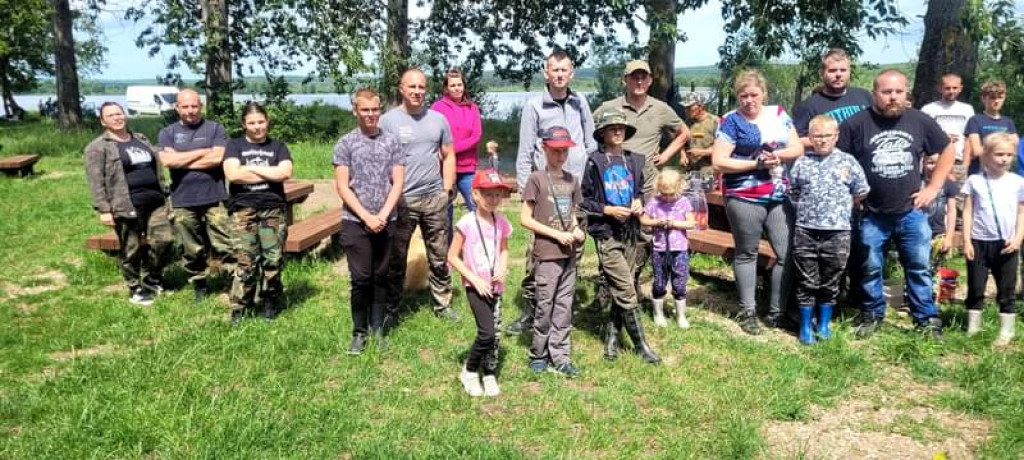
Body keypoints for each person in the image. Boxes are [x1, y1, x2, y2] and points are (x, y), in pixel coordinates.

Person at [837, 69, 955, 339]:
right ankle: (871, 314)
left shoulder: (920, 121)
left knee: (918, 267)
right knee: (870, 267)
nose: (893, 97)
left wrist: (934, 187)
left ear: (906, 93)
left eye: (898, 92)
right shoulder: (856, 124)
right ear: (874, 93)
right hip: (872, 213)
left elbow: (947, 149)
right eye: (886, 92)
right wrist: (851, 193)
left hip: (911, 211)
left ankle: (926, 320)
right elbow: (839, 161)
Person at [507, 49, 596, 336]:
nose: (559, 74)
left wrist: (589, 181)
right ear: (546, 73)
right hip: (545, 193)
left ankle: (562, 309)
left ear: (572, 73)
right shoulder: (534, 106)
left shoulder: (581, 102)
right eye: (554, 69)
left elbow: (591, 144)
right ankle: (533, 311)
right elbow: (524, 153)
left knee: (572, 249)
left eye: (564, 69)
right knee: (539, 253)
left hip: (574, 191)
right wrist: (527, 193)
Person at [711, 69, 802, 335]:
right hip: (744, 195)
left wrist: (779, 156)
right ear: (737, 97)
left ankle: (777, 312)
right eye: (743, 95)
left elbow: (797, 148)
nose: (749, 100)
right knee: (747, 252)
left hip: (777, 193)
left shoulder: (778, 114)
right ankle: (747, 310)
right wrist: (755, 163)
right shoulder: (730, 121)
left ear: (763, 93)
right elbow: (718, 161)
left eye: (754, 94)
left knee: (787, 253)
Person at [581, 110, 661, 364]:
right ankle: (641, 346)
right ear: (602, 132)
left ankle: (612, 337)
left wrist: (638, 202)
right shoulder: (594, 161)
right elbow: (584, 200)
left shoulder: (636, 160)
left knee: (621, 286)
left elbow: (639, 191)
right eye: (612, 127)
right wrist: (607, 210)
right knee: (627, 289)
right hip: (607, 234)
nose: (618, 131)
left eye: (621, 127)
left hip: (631, 233)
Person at [382, 68, 457, 322]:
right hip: (403, 200)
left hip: (434, 197)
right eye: (411, 87)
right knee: (397, 257)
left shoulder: (438, 120)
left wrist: (446, 189)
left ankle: (442, 304)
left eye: (421, 87)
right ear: (401, 89)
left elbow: (449, 155)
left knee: (438, 255)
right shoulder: (388, 121)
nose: (417, 92)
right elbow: (380, 160)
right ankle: (392, 308)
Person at [334, 88, 406, 355]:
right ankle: (359, 332)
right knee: (361, 278)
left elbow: (397, 181)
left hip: (387, 218)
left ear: (380, 110)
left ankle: (378, 328)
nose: (370, 115)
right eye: (365, 110)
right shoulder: (345, 144)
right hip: (356, 220)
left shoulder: (392, 142)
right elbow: (342, 186)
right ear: (355, 111)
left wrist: (384, 215)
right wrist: (366, 216)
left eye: (375, 109)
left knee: (380, 275)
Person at [789, 115, 870, 344]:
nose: (822, 140)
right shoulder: (802, 162)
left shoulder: (848, 162)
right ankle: (806, 325)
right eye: (817, 136)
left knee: (831, 279)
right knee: (807, 280)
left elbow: (861, 191)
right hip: (806, 229)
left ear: (836, 136)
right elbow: (793, 192)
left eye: (827, 136)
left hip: (838, 231)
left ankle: (823, 324)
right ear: (810, 138)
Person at [84, 102, 174, 306]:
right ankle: (135, 288)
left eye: (119, 113)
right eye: (110, 115)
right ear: (103, 121)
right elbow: (95, 181)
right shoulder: (97, 148)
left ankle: (153, 278)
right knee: (130, 248)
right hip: (126, 204)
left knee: (165, 240)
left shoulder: (140, 138)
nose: (116, 118)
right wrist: (104, 209)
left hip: (155, 201)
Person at [521, 126, 586, 377]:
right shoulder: (536, 179)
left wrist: (577, 230)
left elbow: (572, 216)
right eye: (556, 151)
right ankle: (538, 353)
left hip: (569, 254)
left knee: (564, 306)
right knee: (544, 304)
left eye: (564, 151)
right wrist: (557, 235)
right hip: (547, 252)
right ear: (544, 149)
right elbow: (525, 219)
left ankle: (561, 354)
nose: (560, 156)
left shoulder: (572, 180)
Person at [157, 88, 233, 302]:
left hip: (214, 196)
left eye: (194, 106)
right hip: (183, 199)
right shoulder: (167, 133)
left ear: (200, 106)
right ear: (177, 107)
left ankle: (232, 283)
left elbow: (218, 158)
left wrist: (183, 158)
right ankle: (199, 284)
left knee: (225, 243)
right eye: (185, 106)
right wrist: (202, 152)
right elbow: (168, 162)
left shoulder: (215, 128)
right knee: (191, 247)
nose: (190, 111)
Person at [222, 102, 293, 326]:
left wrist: (250, 168)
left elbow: (285, 172)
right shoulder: (234, 146)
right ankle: (240, 307)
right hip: (243, 210)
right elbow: (233, 174)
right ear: (244, 124)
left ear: (267, 122)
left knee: (272, 258)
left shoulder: (278, 146)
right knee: (246, 260)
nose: (256, 127)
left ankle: (270, 300)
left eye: (260, 122)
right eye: (251, 123)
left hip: (272, 209)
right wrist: (269, 173)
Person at [448, 169, 513, 397]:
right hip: (476, 287)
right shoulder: (466, 223)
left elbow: (504, 250)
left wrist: (503, 269)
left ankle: (489, 372)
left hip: (495, 286)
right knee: (486, 333)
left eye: (497, 195)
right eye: (488, 195)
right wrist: (473, 279)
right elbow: (452, 256)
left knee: (495, 334)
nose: (493, 200)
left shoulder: (502, 222)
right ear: (475, 195)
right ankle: (470, 369)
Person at [961, 133, 1023, 346]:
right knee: (976, 286)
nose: (1004, 159)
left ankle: (1007, 330)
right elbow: (967, 212)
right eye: (999, 154)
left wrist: (1018, 238)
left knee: (1006, 287)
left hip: (1006, 243)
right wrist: (967, 241)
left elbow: (1021, 213)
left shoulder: (1017, 182)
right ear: (986, 155)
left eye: (1009, 155)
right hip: (979, 241)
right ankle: (974, 327)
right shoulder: (975, 181)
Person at [592, 60, 690, 195]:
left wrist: (665, 156)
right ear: (624, 80)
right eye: (634, 78)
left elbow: (684, 133)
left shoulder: (660, 108)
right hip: (615, 184)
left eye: (643, 78)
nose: (639, 82)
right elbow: (587, 129)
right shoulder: (608, 107)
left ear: (650, 81)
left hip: (648, 186)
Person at [639, 169, 695, 329]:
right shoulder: (655, 202)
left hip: (679, 249)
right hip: (659, 249)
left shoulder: (683, 202)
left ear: (679, 189)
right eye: (664, 194)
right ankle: (658, 313)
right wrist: (657, 222)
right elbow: (644, 219)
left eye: (671, 194)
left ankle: (681, 315)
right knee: (659, 280)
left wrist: (675, 224)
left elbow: (691, 223)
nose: (667, 197)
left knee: (680, 281)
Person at [431, 68, 483, 237]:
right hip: (444, 169)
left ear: (464, 85)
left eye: (459, 84)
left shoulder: (472, 108)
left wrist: (451, 149)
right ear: (446, 87)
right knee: (445, 212)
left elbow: (476, 136)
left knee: (477, 206)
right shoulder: (437, 108)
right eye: (452, 85)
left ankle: (479, 244)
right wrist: (444, 152)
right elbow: (432, 134)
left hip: (467, 168)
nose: (456, 88)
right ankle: (447, 252)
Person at [792, 48, 873, 149]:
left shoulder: (864, 95)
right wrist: (829, 140)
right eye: (832, 71)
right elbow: (796, 140)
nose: (838, 75)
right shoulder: (808, 106)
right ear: (822, 73)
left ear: (849, 72)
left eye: (843, 70)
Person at [921, 73, 974, 171]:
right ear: (940, 88)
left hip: (958, 160)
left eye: (955, 88)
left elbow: (969, 138)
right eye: (947, 88)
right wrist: (942, 137)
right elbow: (922, 137)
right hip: (935, 160)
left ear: (960, 89)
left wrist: (965, 164)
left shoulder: (967, 109)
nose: (951, 91)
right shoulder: (928, 109)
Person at [965, 80, 1018, 176]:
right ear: (983, 98)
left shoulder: (1008, 122)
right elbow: (976, 150)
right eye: (992, 98)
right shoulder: (975, 120)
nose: (996, 101)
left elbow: (1014, 147)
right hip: (980, 173)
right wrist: (1001, 149)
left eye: (1000, 97)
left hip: (1004, 174)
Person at [681, 93, 719, 175]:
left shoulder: (715, 122)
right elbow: (682, 142)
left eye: (689, 107)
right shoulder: (687, 123)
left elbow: (722, 147)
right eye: (685, 107)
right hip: (691, 169)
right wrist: (683, 155)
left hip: (710, 169)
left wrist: (703, 152)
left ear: (701, 106)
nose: (686, 110)